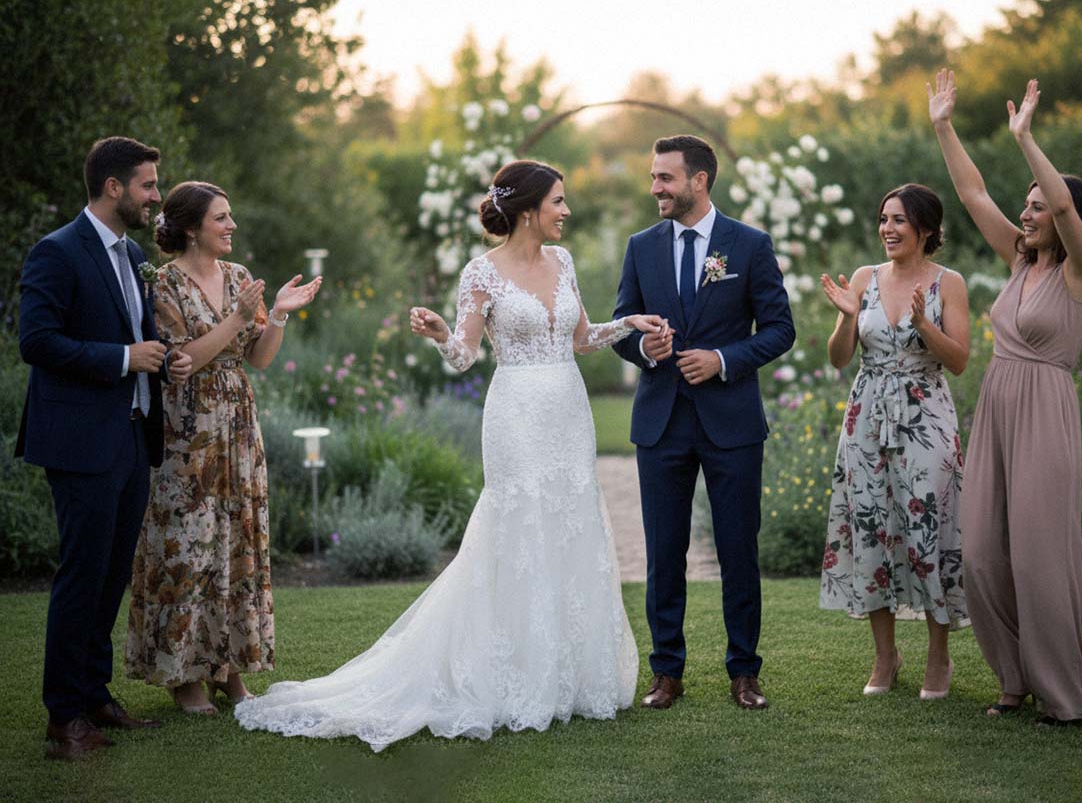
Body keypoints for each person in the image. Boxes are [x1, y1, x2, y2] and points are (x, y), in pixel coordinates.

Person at [235, 160, 666, 749]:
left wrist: (629, 324)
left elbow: (581, 340)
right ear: (528, 210)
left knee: (569, 524)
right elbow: (465, 356)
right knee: (517, 529)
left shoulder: (562, 262)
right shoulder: (480, 273)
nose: (567, 211)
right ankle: (508, 676)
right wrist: (443, 335)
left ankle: (566, 678)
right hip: (516, 414)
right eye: (558, 202)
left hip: (568, 411)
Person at [928, 69, 1082, 724]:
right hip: (998, 405)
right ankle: (1013, 677)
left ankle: (1063, 695)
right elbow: (972, 192)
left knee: (1038, 558)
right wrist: (943, 127)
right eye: (1025, 205)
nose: (1026, 214)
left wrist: (1025, 138)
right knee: (980, 554)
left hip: (1045, 409)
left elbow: (1066, 209)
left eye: (1036, 206)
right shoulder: (1018, 261)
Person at [17, 137, 193, 760]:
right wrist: (123, 358)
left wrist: (162, 361)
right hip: (80, 442)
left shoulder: (133, 254)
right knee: (82, 575)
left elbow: (137, 337)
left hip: (131, 437)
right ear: (113, 187)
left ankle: (95, 696)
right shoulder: (57, 251)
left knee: (112, 574)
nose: (156, 197)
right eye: (148, 185)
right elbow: (36, 341)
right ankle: (63, 719)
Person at [612, 135, 795, 710]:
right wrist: (646, 349)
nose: (655, 188)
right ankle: (666, 672)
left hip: (731, 423)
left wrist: (722, 359)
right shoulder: (641, 246)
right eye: (653, 177)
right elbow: (621, 325)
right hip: (661, 422)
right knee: (664, 553)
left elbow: (780, 329)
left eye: (665, 178)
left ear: (699, 180)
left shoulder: (749, 245)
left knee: (739, 549)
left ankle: (745, 672)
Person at [125, 181, 321, 715]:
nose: (231, 225)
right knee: (188, 542)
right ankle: (183, 676)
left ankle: (229, 667)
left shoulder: (237, 277)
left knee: (234, 541)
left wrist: (276, 314)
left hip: (237, 421)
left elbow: (258, 358)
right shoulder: (164, 283)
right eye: (221, 218)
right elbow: (182, 359)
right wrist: (236, 318)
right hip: (187, 427)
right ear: (192, 228)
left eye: (230, 216)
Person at [817, 184, 970, 700]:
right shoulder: (865, 277)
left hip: (926, 416)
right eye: (884, 219)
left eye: (899, 220)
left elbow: (959, 360)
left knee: (929, 528)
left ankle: (938, 657)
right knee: (871, 527)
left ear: (925, 229)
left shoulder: (949, 283)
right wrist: (847, 316)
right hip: (866, 417)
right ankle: (885, 656)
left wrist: (925, 325)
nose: (887, 228)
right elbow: (839, 359)